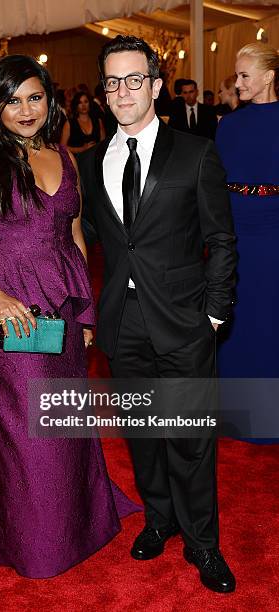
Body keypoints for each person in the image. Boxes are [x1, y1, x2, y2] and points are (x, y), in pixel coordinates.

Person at [0, 54, 139, 579]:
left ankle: (77, 521)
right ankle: (37, 541)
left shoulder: (65, 157)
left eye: (34, 97)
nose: (25, 110)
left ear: (49, 100)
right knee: (27, 424)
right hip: (10, 309)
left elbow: (72, 234)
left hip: (63, 307)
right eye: (11, 100)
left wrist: (86, 311)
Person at [78, 35, 237, 593]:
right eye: (113, 82)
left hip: (184, 321)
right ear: (104, 92)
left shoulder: (195, 152)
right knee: (144, 434)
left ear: (155, 84)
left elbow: (220, 239)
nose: (123, 91)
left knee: (189, 437)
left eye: (134, 79)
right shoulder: (91, 162)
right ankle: (159, 520)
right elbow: (89, 238)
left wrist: (215, 314)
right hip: (123, 323)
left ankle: (203, 544)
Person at [215, 43, 279, 439]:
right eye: (236, 76)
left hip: (274, 229)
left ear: (269, 76)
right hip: (236, 228)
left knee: (269, 317)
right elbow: (213, 184)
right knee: (235, 316)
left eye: (244, 76)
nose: (237, 83)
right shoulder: (229, 125)